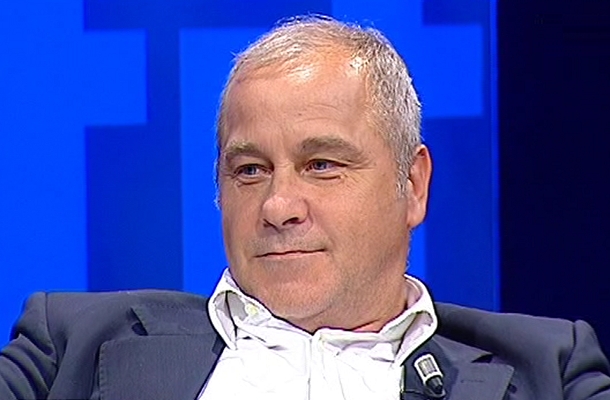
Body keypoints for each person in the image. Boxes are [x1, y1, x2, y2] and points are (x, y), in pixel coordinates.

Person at [1, 15, 609, 400]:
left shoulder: (548, 371)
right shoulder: (69, 346)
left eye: (322, 164)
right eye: (250, 170)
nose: (279, 205)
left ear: (413, 185)